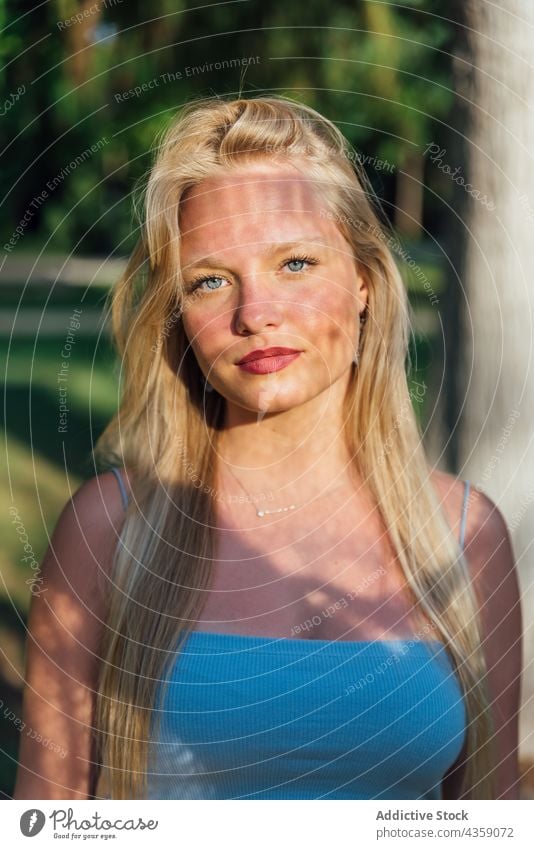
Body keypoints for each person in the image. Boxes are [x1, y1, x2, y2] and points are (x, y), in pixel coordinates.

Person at [14, 95, 522, 801]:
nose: (255, 314)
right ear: (179, 314)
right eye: (211, 280)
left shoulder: (465, 534)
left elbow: (491, 818)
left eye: (295, 262)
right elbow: (48, 822)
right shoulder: (110, 531)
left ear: (365, 282)